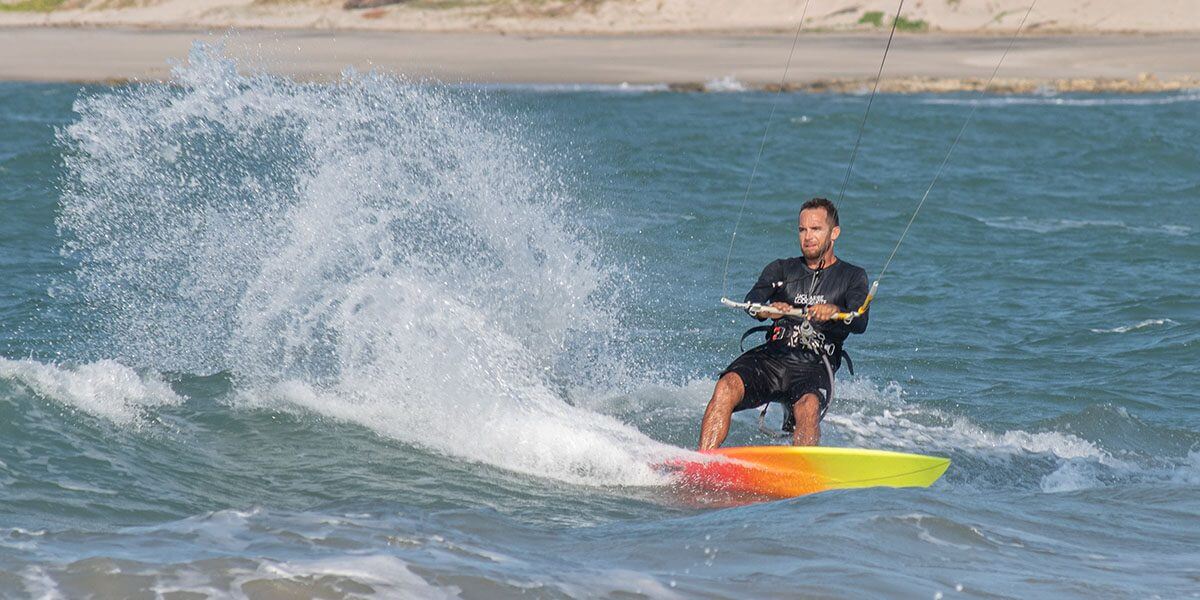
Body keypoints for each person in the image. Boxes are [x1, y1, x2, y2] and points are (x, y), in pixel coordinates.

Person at [699, 197, 869, 449]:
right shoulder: (781, 269)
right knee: (726, 386)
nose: (807, 236)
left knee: (808, 407)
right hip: (773, 357)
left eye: (816, 229)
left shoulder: (852, 276)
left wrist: (834, 310)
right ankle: (703, 462)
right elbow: (752, 300)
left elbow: (860, 320)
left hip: (813, 364)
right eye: (802, 230)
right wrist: (768, 311)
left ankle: (802, 472)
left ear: (834, 233)